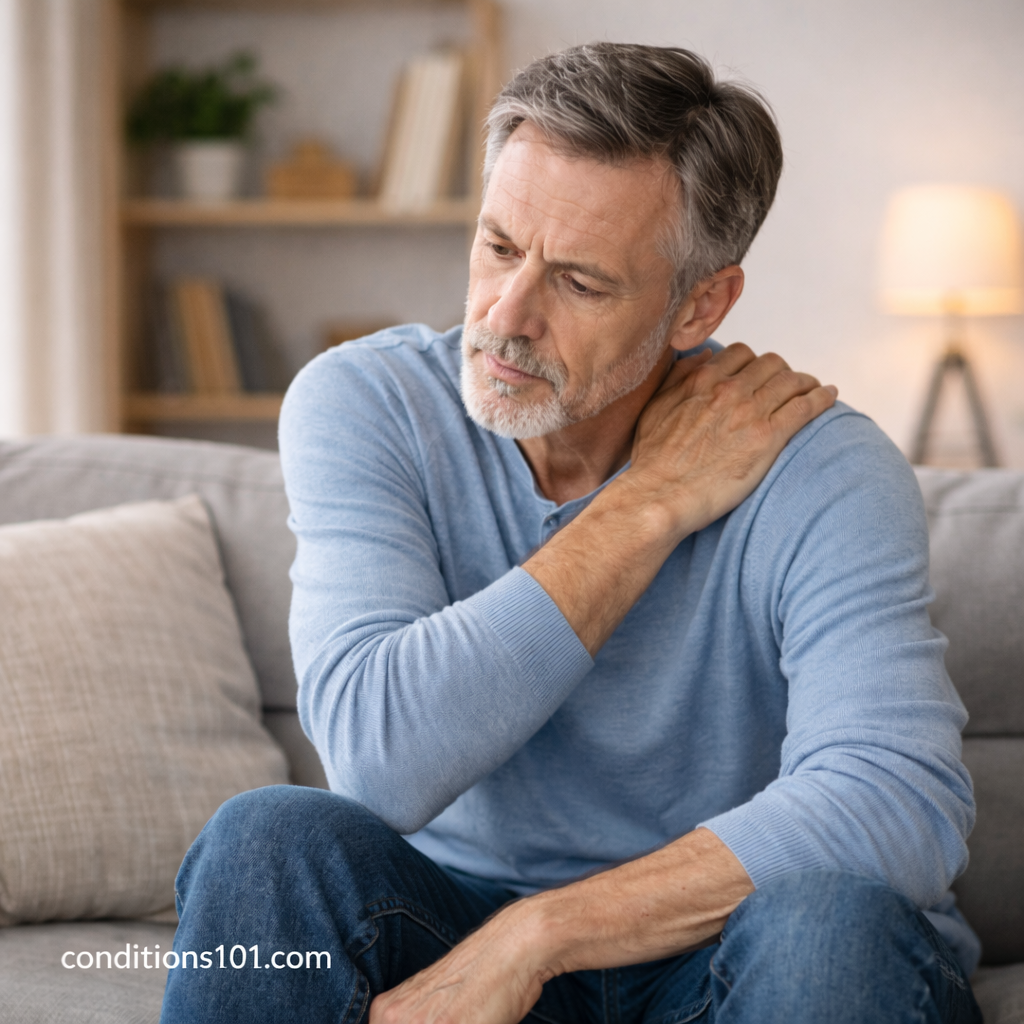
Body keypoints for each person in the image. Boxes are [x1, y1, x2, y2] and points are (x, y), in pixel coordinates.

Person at [161, 44, 982, 1024]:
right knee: (265, 839)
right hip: (449, 929)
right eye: (499, 247)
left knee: (828, 925)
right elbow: (378, 762)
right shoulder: (368, 405)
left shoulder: (821, 467)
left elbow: (899, 803)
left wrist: (539, 936)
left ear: (700, 305)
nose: (506, 319)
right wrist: (649, 503)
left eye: (580, 284)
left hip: (733, 954)